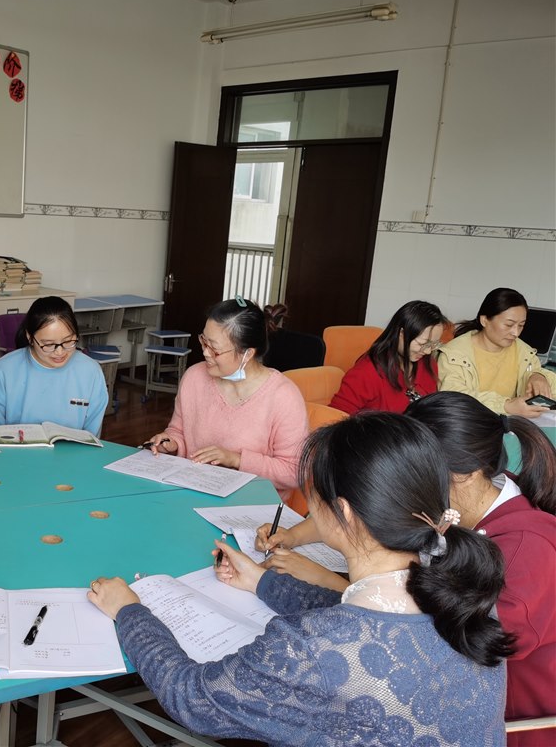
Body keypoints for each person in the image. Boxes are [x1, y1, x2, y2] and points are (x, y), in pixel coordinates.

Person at [87, 412, 512, 745]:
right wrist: (261, 582)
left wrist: (130, 611)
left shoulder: (310, 647)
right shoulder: (464, 591)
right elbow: (355, 613)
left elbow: (193, 699)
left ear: (343, 512)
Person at [407, 391, 556, 744]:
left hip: (514, 721)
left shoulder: (525, 552)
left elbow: (481, 646)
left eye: (414, 472)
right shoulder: (482, 500)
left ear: (466, 473)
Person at [144, 298, 307, 494]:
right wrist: (172, 443)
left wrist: (236, 459)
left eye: (215, 349)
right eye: (204, 341)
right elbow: (178, 430)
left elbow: (293, 472)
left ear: (247, 354)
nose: (205, 352)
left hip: (251, 503)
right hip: (192, 492)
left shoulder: (283, 396)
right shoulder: (194, 377)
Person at [0, 295, 108, 435]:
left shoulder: (91, 372)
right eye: (49, 344)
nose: (59, 352)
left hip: (74, 450)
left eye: (68, 341)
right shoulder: (3, 370)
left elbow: (92, 436)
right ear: (30, 337)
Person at [437, 287, 556, 416]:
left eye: (521, 325)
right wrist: (505, 405)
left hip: (513, 425)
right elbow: (453, 397)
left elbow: (539, 377)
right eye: (509, 325)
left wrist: (539, 375)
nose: (515, 333)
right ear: (484, 320)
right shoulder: (453, 355)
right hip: (472, 424)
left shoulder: (524, 352)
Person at [329, 300, 448, 414]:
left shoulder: (428, 364)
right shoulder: (367, 372)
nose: (427, 351)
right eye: (422, 344)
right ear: (401, 333)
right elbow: (336, 417)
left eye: (433, 344)